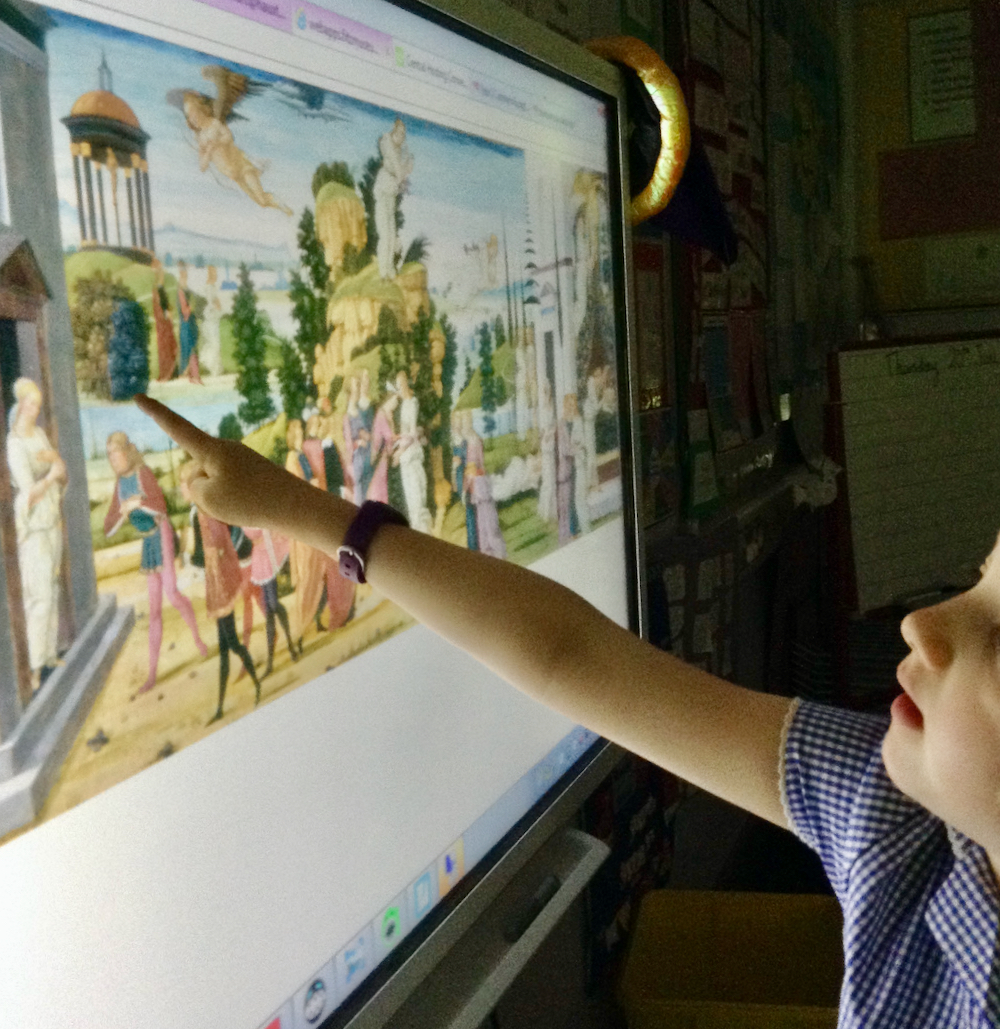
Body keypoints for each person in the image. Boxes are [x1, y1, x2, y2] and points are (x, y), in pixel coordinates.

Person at [134, 392, 1000, 1029]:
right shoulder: (899, 824)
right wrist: (303, 512)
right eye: (981, 575)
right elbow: (571, 654)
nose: (927, 620)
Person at [104, 430, 207, 693]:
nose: (114, 461)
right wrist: (123, 510)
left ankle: (198, 639)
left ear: (127, 452)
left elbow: (160, 506)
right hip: (148, 542)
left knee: (172, 593)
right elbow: (108, 527)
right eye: (109, 457)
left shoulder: (143, 473)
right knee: (154, 611)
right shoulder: (119, 484)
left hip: (161, 533)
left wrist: (137, 502)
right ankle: (151, 674)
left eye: (116, 455)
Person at [178, 463, 261, 722]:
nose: (180, 488)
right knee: (225, 648)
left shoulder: (201, 512)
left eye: (183, 483)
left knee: (232, 643)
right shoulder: (199, 511)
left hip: (220, 585)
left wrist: (187, 559)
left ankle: (256, 684)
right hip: (217, 583)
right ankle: (220, 707)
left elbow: (210, 551)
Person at [6, 378, 66, 694]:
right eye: (30, 404)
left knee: (52, 588)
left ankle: (50, 655)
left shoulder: (40, 434)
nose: (34, 410)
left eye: (38, 406)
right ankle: (35, 666)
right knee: (39, 596)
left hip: (50, 519)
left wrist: (55, 468)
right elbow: (28, 493)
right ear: (20, 405)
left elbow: (58, 464)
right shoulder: (15, 444)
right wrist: (52, 474)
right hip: (33, 526)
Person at [373, 118, 413, 280]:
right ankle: (383, 271)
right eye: (400, 133)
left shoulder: (398, 149)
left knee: (391, 233)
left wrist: (406, 168)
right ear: (394, 132)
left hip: (391, 194)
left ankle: (389, 269)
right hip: (383, 191)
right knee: (385, 233)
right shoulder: (387, 143)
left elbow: (402, 173)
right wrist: (404, 170)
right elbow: (399, 170)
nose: (402, 137)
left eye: (404, 134)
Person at [394, 370, 432, 533]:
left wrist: (400, 451)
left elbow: (412, 433)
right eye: (398, 385)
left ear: (406, 384)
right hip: (406, 454)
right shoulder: (404, 404)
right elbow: (407, 432)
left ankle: (423, 530)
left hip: (411, 453)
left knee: (416, 493)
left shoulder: (411, 403)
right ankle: (418, 529)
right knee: (411, 496)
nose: (399, 389)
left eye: (401, 384)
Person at [151, 259, 178, 381]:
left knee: (167, 346)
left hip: (165, 323)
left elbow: (165, 306)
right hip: (163, 324)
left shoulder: (160, 289)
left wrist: (168, 311)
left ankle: (171, 372)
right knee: (165, 347)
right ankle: (167, 372)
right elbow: (161, 308)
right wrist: (166, 314)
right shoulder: (158, 290)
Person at [176, 260, 203, 384]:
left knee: (193, 349)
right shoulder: (181, 292)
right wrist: (192, 306)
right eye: (183, 277)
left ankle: (194, 376)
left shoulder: (187, 291)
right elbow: (185, 312)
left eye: (186, 277)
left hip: (190, 324)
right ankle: (194, 376)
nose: (185, 279)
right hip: (186, 324)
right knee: (190, 350)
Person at [201, 264, 224, 377]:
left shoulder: (212, 286)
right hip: (211, 318)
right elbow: (211, 302)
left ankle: (215, 368)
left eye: (216, 273)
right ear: (210, 273)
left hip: (213, 317)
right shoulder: (209, 286)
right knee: (214, 343)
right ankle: (212, 367)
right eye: (214, 273)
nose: (216, 275)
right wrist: (217, 306)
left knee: (215, 343)